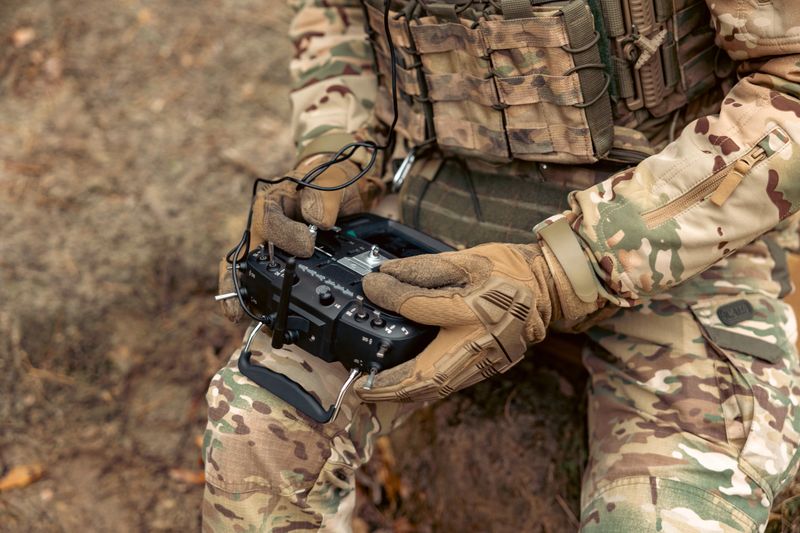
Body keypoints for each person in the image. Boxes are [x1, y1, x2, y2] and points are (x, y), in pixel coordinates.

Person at [204, 0, 800, 530]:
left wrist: (565, 269)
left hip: (679, 242)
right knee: (259, 431)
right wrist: (340, 153)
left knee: (665, 513)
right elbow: (338, 15)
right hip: (432, 224)